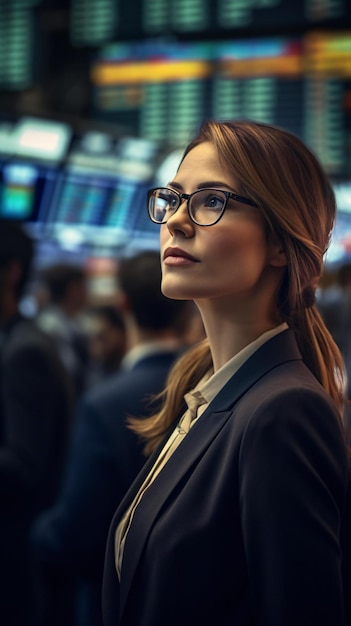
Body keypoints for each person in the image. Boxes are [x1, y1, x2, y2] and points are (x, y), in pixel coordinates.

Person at [102, 120, 351, 626]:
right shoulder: (207, 396)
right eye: (172, 198)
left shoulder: (282, 410)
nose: (175, 221)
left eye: (211, 201)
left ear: (281, 243)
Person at [30, 251, 191, 626]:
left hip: (115, 599)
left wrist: (34, 534)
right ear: (187, 309)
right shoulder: (210, 387)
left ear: (123, 305)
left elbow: (74, 532)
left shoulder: (105, 403)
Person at [0, 221, 73, 626]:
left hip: (15, 555)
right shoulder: (16, 340)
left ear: (11, 271)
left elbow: (24, 465)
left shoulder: (26, 351)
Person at [37, 262, 89, 401]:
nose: (87, 292)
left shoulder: (72, 323)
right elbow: (69, 372)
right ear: (73, 289)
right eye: (84, 286)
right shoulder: (50, 327)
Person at [85, 304, 126, 389]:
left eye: (101, 337)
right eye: (92, 339)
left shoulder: (133, 370)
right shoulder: (92, 377)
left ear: (120, 333)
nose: (94, 347)